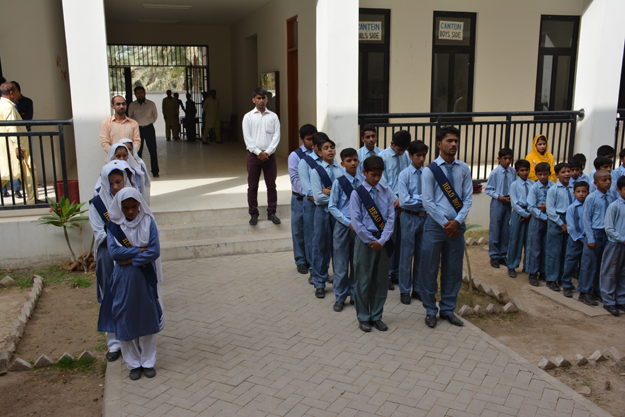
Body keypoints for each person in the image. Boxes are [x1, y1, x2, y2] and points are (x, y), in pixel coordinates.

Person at [98, 187, 164, 380]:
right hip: (123, 279)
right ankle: (133, 363)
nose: (130, 212)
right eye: (126, 208)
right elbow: (115, 254)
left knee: (147, 317)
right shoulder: (113, 226)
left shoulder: (148, 222)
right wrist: (139, 251)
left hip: (145, 277)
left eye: (134, 207)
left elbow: (155, 251)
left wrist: (130, 259)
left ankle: (148, 361)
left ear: (139, 205)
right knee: (125, 318)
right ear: (120, 206)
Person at [420, 126, 472, 328]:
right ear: (439, 143)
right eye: (449, 140)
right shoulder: (430, 170)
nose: (454, 144)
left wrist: (457, 222)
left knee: (453, 270)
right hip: (435, 226)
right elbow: (427, 201)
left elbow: (467, 199)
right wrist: (445, 223)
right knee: (429, 269)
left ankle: (448, 309)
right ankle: (431, 310)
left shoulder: (464, 168)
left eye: (456, 141)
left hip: (456, 227)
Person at [89, 162, 134, 362]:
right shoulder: (97, 204)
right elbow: (99, 234)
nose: (115, 186)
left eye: (119, 181)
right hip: (109, 256)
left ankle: (133, 337)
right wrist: (118, 245)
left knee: (133, 296)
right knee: (111, 297)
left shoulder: (133, 200)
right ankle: (114, 343)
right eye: (111, 182)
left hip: (131, 253)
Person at [349, 155, 394, 332]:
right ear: (364, 172)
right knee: (363, 280)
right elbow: (356, 222)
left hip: (382, 241)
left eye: (379, 175)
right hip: (365, 242)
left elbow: (391, 218)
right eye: (373, 175)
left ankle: (377, 315)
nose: (376, 179)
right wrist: (371, 240)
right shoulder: (357, 193)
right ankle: (363, 316)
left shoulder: (386, 192)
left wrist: (382, 240)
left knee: (381, 280)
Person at [310, 133, 344, 298]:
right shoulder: (316, 171)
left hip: (338, 214)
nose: (330, 150)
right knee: (321, 247)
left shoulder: (341, 170)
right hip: (322, 213)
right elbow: (318, 197)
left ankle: (339, 283)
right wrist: (334, 195)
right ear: (319, 153)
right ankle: (319, 282)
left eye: (332, 147)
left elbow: (345, 195)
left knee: (338, 248)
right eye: (326, 148)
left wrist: (329, 192)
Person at [242, 87, 281, 226]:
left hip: (270, 156)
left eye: (263, 98)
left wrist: (268, 152)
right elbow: (247, 138)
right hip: (254, 156)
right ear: (253, 100)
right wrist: (259, 153)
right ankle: (253, 213)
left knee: (271, 185)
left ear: (267, 99)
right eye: (258, 98)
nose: (261, 100)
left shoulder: (273, 116)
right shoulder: (248, 117)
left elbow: (276, 137)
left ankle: (272, 212)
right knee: (252, 186)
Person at [328, 148, 360, 312]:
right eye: (349, 160)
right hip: (343, 226)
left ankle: (355, 294)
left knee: (356, 261)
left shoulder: (363, 182)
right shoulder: (338, 182)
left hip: (359, 228)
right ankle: (340, 297)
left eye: (355, 160)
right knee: (340, 263)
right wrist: (348, 223)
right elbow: (332, 207)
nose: (353, 163)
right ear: (342, 164)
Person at [379, 130, 411, 290]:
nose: (402, 152)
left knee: (400, 240)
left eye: (404, 150)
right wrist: (395, 201)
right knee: (388, 240)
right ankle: (386, 274)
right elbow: (383, 183)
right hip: (388, 205)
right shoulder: (382, 157)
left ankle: (396, 273)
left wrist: (402, 200)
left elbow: (406, 178)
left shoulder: (405, 156)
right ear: (392, 144)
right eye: (399, 149)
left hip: (403, 205)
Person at [397, 140, 428, 304]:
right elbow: (403, 201)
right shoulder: (404, 175)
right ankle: (404, 290)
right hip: (409, 217)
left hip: (425, 217)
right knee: (406, 255)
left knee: (422, 255)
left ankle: (418, 288)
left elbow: (432, 199)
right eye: (418, 155)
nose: (421, 159)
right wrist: (423, 199)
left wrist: (416, 198)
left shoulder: (428, 174)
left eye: (424, 155)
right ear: (410, 156)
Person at [577, 170, 615, 306]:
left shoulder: (611, 197)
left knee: (602, 264)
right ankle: (584, 291)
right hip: (594, 233)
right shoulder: (591, 198)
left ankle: (597, 290)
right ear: (596, 183)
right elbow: (586, 219)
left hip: (606, 234)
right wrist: (590, 238)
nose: (608, 182)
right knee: (589, 264)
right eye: (604, 180)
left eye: (609, 179)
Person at [287, 124, 317, 275]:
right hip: (300, 198)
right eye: (308, 139)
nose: (312, 142)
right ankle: (300, 260)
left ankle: (312, 260)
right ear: (302, 139)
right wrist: (310, 193)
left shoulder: (319, 153)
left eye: (314, 139)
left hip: (315, 199)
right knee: (298, 229)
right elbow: (295, 180)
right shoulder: (295, 156)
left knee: (312, 230)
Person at [0, 82, 37, 204]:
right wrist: (17, 146)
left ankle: (33, 199)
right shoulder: (9, 107)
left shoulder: (1, 104)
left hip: (7, 146)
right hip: (17, 147)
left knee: (7, 174)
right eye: (15, 92)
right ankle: (33, 200)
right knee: (27, 172)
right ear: (11, 93)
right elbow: (12, 128)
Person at [298, 130, 322, 284]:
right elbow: (307, 187)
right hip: (312, 203)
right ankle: (313, 271)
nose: (326, 150)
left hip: (325, 203)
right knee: (312, 237)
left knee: (323, 238)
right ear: (313, 146)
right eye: (322, 147)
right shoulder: (305, 161)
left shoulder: (328, 162)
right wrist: (319, 198)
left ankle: (323, 270)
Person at [544, 162, 574, 291]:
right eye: (563, 172)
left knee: (566, 252)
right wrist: (561, 224)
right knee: (554, 251)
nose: (567, 174)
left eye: (569, 171)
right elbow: (550, 210)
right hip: (557, 220)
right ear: (556, 175)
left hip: (570, 219)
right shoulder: (553, 190)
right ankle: (551, 279)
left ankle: (563, 278)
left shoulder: (573, 188)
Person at [526, 162, 554, 286]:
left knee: (547, 246)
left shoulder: (553, 186)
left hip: (550, 219)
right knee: (535, 246)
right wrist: (544, 216)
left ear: (549, 174)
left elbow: (555, 203)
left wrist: (548, 209)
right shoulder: (534, 188)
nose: (543, 177)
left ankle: (543, 271)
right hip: (538, 220)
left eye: (545, 174)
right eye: (540, 174)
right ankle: (532, 273)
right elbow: (532, 207)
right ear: (536, 174)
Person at [600, 176, 625, 315]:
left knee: (623, 273)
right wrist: (622, 239)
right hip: (615, 244)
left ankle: (621, 300)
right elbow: (609, 228)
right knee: (610, 272)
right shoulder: (614, 206)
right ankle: (608, 301)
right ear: (619, 190)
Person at [485, 148, 514, 269]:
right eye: (505, 158)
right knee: (495, 228)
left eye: (509, 158)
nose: (507, 161)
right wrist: (500, 197)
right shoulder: (495, 173)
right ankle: (494, 256)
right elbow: (488, 189)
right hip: (498, 201)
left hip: (509, 202)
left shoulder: (512, 172)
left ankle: (503, 255)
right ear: (499, 159)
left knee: (505, 229)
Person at [561, 181, 589, 298]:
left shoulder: (589, 206)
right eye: (578, 192)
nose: (581, 194)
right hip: (575, 239)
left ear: (588, 193)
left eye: (584, 192)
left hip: (587, 240)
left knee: (585, 264)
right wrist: (580, 238)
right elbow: (571, 227)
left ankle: (584, 286)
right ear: (574, 193)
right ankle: (566, 284)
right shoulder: (572, 208)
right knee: (570, 262)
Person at [507, 159, 534, 278]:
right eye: (522, 170)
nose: (524, 172)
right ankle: (512, 266)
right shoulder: (514, 185)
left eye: (526, 170)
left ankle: (527, 266)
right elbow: (514, 204)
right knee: (515, 240)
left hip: (531, 213)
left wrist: (530, 214)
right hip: (519, 214)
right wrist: (525, 214)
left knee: (529, 240)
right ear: (517, 171)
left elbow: (534, 200)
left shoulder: (532, 184)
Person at [127, 86, 159, 178]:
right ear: (135, 94)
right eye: (138, 93)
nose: (140, 95)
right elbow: (130, 117)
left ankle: (155, 171)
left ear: (145, 93)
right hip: (137, 130)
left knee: (153, 150)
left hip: (149, 128)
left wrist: (148, 122)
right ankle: (138, 171)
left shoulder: (151, 104)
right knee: (137, 151)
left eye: (141, 93)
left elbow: (155, 116)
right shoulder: (132, 105)